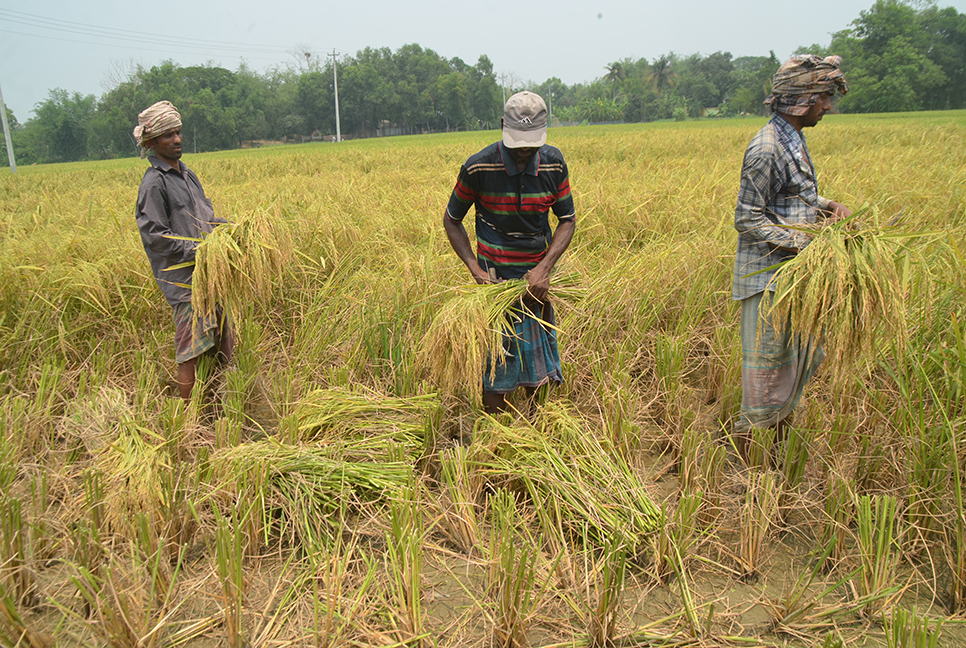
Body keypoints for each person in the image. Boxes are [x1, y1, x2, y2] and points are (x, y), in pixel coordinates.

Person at [731, 55, 851, 454]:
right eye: (824, 97)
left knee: (792, 369)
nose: (828, 106)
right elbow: (747, 219)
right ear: (803, 99)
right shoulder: (765, 148)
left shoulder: (792, 139)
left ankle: (777, 458)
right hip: (767, 282)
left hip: (791, 278)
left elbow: (797, 196)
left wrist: (829, 206)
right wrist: (809, 244)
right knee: (763, 380)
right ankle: (743, 474)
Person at [443, 91, 576, 413]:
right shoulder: (478, 167)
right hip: (495, 281)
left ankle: (537, 426)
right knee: (497, 360)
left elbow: (568, 220)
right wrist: (475, 269)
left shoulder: (554, 164)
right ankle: (495, 432)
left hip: (536, 282)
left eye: (531, 143)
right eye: (518, 142)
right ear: (503, 125)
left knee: (537, 359)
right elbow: (452, 219)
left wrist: (543, 270)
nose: (524, 151)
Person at [134, 100, 233, 400]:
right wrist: (200, 251)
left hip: (210, 275)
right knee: (190, 352)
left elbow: (206, 218)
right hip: (184, 283)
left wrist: (230, 230)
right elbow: (155, 236)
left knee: (220, 347)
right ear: (151, 142)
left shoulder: (188, 176)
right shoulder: (154, 183)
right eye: (168, 135)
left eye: (177, 132)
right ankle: (187, 420)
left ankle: (218, 404)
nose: (176, 140)